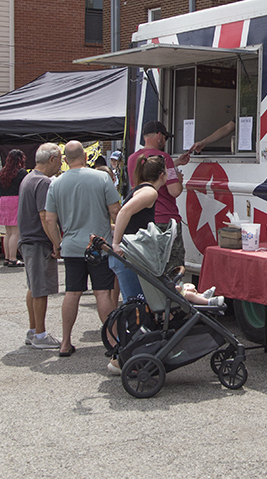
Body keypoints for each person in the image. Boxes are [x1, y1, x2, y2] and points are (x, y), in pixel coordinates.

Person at [44, 141, 120, 357]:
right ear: (85, 157)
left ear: (65, 160)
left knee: (72, 292)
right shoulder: (102, 178)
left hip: (71, 246)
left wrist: (57, 243)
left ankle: (65, 342)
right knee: (102, 293)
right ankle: (113, 341)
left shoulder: (56, 184)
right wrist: (119, 238)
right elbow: (115, 210)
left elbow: (49, 220)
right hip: (98, 245)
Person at [127, 121, 190, 273]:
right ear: (159, 136)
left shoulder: (133, 158)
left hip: (143, 221)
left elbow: (151, 169)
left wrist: (175, 163)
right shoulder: (164, 158)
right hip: (166, 221)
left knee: (149, 268)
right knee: (173, 268)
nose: (165, 142)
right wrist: (179, 180)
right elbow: (174, 191)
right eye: (165, 138)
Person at [17, 143, 62, 350]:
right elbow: (45, 217)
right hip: (37, 241)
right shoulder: (43, 182)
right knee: (40, 289)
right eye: (59, 159)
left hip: (28, 240)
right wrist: (56, 243)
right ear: (52, 159)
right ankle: (40, 334)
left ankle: (34, 330)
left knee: (34, 288)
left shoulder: (29, 178)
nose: (61, 163)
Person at [110, 154, 169, 302]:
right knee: (135, 303)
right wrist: (116, 243)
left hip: (130, 254)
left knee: (135, 302)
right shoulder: (150, 192)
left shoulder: (141, 189)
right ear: (162, 175)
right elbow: (124, 211)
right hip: (128, 254)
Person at [0, 149, 27, 267]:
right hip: (15, 200)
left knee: (8, 231)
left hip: (3, 200)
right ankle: (13, 258)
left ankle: (7, 257)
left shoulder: (2, 173)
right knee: (16, 232)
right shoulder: (21, 173)